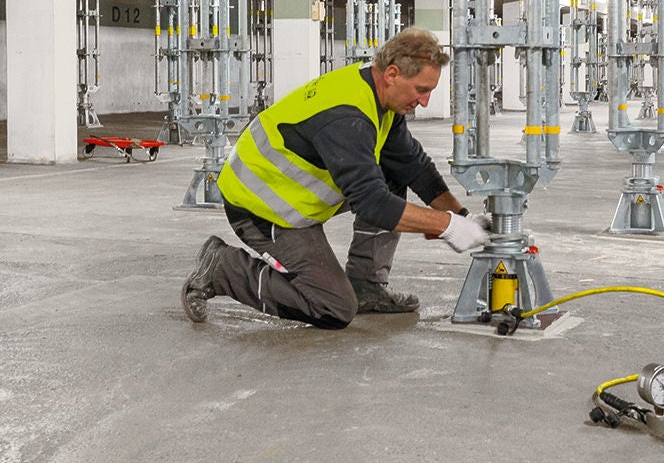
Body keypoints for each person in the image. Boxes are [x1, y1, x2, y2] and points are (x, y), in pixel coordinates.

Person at [181, 27, 491, 330]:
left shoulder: (379, 97)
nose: (424, 101)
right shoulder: (347, 116)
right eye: (421, 90)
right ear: (392, 74)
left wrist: (462, 216)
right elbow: (372, 203)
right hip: (261, 205)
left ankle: (366, 285)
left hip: (293, 197)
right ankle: (221, 268)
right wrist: (448, 226)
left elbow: (413, 166)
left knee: (393, 173)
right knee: (333, 307)